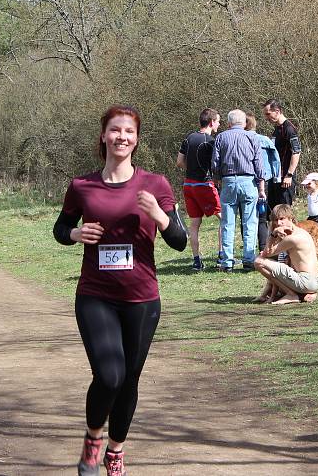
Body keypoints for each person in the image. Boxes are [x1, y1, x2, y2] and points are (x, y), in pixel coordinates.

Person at [52, 105, 187, 476]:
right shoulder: (82, 186)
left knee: (129, 379)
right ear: (103, 136)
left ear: (136, 139)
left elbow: (178, 241)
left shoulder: (156, 184)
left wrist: (160, 216)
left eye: (129, 131)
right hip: (95, 294)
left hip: (142, 298)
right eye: (115, 130)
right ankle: (93, 442)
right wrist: (77, 234)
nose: (122, 137)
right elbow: (60, 229)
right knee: (109, 374)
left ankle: (116, 451)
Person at [211, 109, 265, 272]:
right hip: (249, 181)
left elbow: (215, 163)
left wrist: (219, 179)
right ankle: (249, 259)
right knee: (250, 222)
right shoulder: (252, 137)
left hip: (228, 181)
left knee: (227, 223)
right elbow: (259, 164)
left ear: (228, 123)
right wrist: (261, 188)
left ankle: (227, 261)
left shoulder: (221, 137)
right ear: (245, 123)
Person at [177, 108, 222, 271]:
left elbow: (179, 162)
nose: (219, 124)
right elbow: (216, 165)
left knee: (195, 224)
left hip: (188, 185)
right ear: (211, 122)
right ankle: (221, 257)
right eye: (217, 121)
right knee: (224, 219)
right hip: (204, 184)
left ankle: (197, 261)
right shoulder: (211, 141)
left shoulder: (188, 138)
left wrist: (193, 170)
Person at [254, 204, 318, 305]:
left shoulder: (292, 238)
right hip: (316, 281)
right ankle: (303, 293)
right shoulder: (300, 232)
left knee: (258, 261)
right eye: (276, 220)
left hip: (306, 280)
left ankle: (291, 294)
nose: (279, 223)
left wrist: (273, 234)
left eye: (282, 219)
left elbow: (266, 254)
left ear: (290, 218)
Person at [245, 111, 280, 251]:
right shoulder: (265, 139)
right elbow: (275, 159)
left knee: (246, 217)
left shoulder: (240, 139)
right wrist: (276, 177)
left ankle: (249, 250)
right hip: (264, 181)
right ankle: (263, 247)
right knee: (262, 217)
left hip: (248, 180)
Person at [262, 99, 301, 217]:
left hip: (285, 179)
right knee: (273, 213)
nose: (266, 117)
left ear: (277, 111)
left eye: (268, 114)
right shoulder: (277, 129)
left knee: (284, 213)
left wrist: (289, 175)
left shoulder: (289, 129)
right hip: (275, 178)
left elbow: (296, 152)